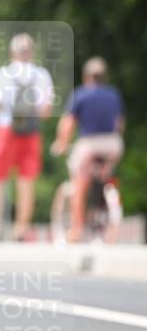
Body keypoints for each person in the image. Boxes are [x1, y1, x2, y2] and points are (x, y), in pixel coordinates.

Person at [0, 33, 54, 241]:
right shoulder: (42, 75)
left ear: (12, 52)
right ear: (32, 52)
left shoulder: (4, 74)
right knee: (26, 180)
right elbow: (46, 111)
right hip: (31, 131)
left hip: (6, 129)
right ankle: (21, 228)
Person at [51, 57, 125, 242]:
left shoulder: (81, 94)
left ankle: (76, 229)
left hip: (89, 145)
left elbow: (68, 123)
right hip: (113, 143)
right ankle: (107, 196)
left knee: (79, 182)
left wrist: (61, 143)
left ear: (86, 77)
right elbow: (119, 123)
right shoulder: (113, 95)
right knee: (105, 174)